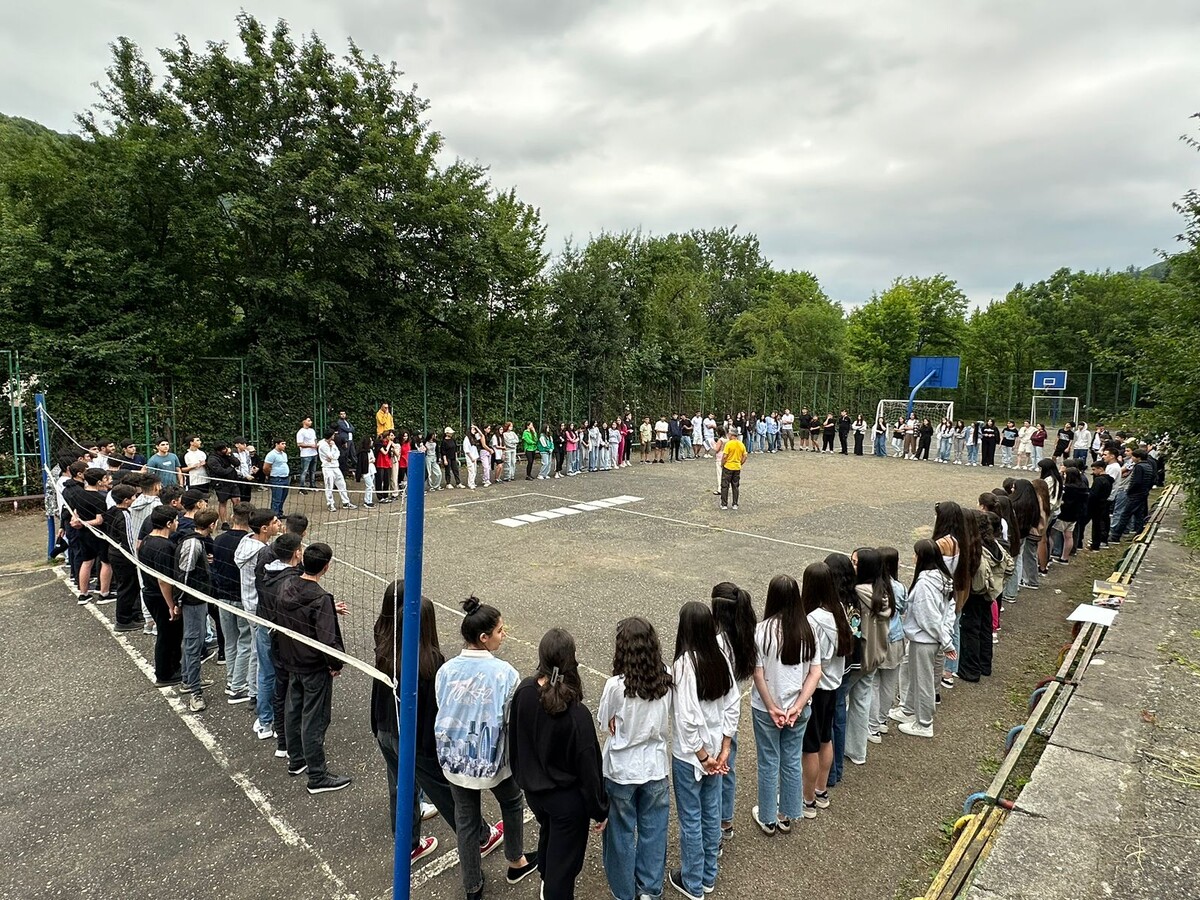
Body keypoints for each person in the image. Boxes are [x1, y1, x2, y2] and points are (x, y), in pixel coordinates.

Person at [371, 584, 494, 865]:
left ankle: (409, 845)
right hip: (415, 742)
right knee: (446, 793)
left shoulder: (386, 650)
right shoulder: (431, 663)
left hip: (385, 731)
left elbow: (378, 697)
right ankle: (481, 837)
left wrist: (377, 728)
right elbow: (439, 713)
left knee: (400, 788)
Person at [434, 597, 537, 899]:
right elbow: (511, 719)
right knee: (512, 801)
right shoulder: (506, 674)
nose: (505, 635)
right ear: (484, 637)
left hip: (453, 760)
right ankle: (515, 859)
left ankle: (472, 885)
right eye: (501, 631)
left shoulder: (447, 670)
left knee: (465, 820)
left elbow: (443, 706)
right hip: (492, 760)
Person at [509, 629, 607, 900]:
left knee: (549, 835)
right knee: (564, 869)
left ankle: (545, 874)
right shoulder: (577, 713)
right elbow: (589, 769)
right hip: (566, 803)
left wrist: (522, 775)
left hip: (534, 792)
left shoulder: (525, 691)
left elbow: (514, 738)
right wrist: (600, 810)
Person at [669, 601, 739, 900]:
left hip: (691, 757)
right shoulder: (720, 657)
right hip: (715, 751)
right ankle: (708, 875)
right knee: (711, 814)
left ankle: (693, 881)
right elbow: (733, 703)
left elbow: (687, 719)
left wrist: (703, 757)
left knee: (691, 820)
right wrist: (723, 749)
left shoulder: (684, 665)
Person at [599, 617, 672, 900]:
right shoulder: (665, 676)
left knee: (620, 835)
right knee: (654, 832)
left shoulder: (616, 686)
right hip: (655, 766)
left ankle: (623, 891)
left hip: (621, 769)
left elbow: (605, 722)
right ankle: (650, 890)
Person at [276, 542, 352, 794]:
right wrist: (335, 663)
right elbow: (326, 640)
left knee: (293, 709)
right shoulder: (320, 598)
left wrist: (330, 608)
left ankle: (296, 759)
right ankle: (317, 775)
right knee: (315, 718)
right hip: (313, 666)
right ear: (327, 567)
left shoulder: (287, 586)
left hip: (291, 661)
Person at [751, 574, 821, 835]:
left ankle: (768, 817)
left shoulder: (760, 631)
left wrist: (771, 706)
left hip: (766, 707)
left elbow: (758, 673)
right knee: (791, 759)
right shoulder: (808, 629)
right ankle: (787, 813)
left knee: (768, 760)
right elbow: (815, 672)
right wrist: (799, 706)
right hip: (798, 708)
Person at [801, 561, 852, 818]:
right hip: (833, 685)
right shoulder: (838, 610)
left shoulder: (813, 619)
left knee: (809, 746)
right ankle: (821, 790)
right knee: (825, 738)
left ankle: (807, 799)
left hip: (816, 688)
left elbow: (810, 659)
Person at [891, 540, 955, 737]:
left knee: (923, 680)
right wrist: (945, 636)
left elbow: (928, 617)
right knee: (913, 674)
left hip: (925, 639)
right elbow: (948, 610)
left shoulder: (925, 583)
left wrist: (946, 641)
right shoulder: (943, 578)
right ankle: (908, 709)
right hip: (930, 637)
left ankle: (924, 723)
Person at [711, 582, 757, 844]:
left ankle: (716, 828)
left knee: (715, 773)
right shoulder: (744, 633)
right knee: (728, 769)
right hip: (731, 717)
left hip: (717, 716)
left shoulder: (717, 642)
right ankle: (725, 821)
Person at [846, 548, 894, 764]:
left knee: (842, 699)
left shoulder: (858, 592)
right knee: (862, 701)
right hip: (877, 655)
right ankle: (857, 751)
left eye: (855, 562)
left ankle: (842, 747)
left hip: (859, 657)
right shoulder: (884, 591)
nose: (852, 565)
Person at [176, 509, 219, 710]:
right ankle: (195, 693)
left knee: (192, 641)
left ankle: (187, 679)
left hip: (197, 598)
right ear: (212, 525)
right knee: (194, 643)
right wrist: (180, 600)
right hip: (193, 600)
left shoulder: (196, 542)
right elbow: (184, 575)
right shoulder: (193, 544)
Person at [139, 506, 183, 684]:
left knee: (171, 635)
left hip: (150, 593)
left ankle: (174, 667)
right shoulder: (164, 547)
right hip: (160, 596)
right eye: (175, 520)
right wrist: (171, 605)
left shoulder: (147, 540)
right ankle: (164, 674)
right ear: (169, 523)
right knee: (167, 636)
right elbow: (163, 580)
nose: (177, 523)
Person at [869, 547, 907, 740]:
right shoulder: (899, 587)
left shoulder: (873, 587)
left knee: (874, 683)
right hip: (896, 638)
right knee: (889, 683)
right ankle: (882, 720)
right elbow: (903, 607)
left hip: (878, 640)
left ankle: (873, 726)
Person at [318, 431, 358, 511]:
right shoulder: (323, 445)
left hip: (336, 467)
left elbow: (337, 454)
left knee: (342, 484)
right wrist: (333, 450)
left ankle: (346, 502)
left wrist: (333, 453)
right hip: (328, 468)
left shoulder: (332, 443)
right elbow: (331, 456)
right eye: (333, 435)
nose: (334, 436)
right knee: (329, 486)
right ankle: (330, 504)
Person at [1087, 459, 1114, 550]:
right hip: (1104, 503)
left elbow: (1093, 495)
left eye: (1094, 470)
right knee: (1101, 523)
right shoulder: (1109, 480)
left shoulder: (1099, 480)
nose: (1093, 472)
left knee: (1096, 525)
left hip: (1096, 505)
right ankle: (1099, 542)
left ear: (1101, 469)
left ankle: (1095, 544)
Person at [719, 427, 746, 511]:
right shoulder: (741, 444)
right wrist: (740, 463)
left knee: (725, 485)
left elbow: (725, 456)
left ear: (731, 435)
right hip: (737, 467)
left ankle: (724, 504)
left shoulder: (729, 444)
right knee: (735, 486)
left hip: (728, 466)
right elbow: (745, 456)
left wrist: (722, 464)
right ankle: (735, 504)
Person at [263, 438, 290, 516]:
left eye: (284, 444)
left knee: (283, 497)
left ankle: (279, 513)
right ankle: (274, 515)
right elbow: (266, 467)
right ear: (276, 444)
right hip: (276, 479)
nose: (284, 445)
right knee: (276, 499)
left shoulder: (284, 454)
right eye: (282, 443)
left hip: (285, 478)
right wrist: (269, 475)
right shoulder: (271, 454)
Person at [295, 417, 319, 488]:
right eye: (308, 421)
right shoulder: (301, 432)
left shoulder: (312, 430)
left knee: (313, 471)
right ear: (304, 422)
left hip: (314, 453)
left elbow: (315, 439)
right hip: (306, 454)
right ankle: (302, 487)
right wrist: (310, 445)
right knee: (304, 471)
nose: (311, 422)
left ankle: (313, 485)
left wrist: (316, 444)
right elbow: (299, 444)